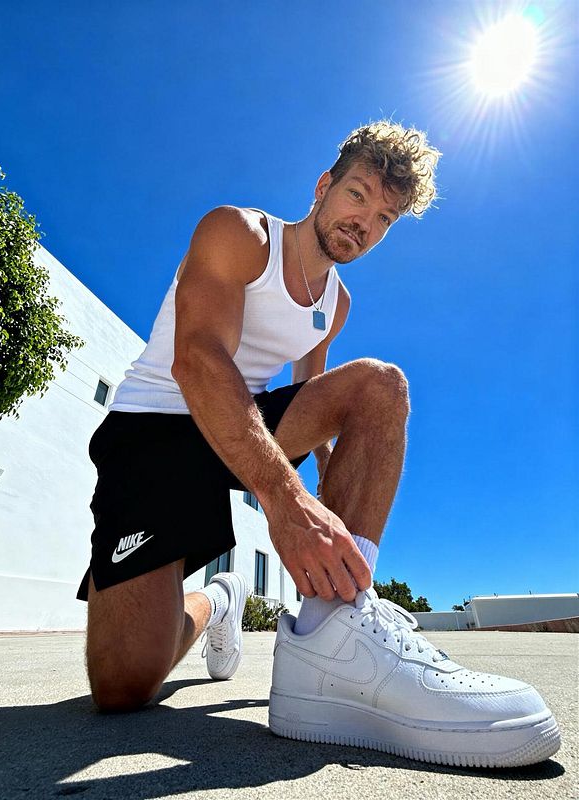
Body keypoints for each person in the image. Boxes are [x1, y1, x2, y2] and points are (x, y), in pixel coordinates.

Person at [77, 121, 560, 767]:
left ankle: (336, 627)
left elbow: (320, 399)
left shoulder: (334, 303)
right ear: (323, 186)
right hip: (153, 431)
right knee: (122, 689)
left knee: (378, 386)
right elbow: (197, 359)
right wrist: (283, 498)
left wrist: (329, 506)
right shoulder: (241, 234)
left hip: (239, 423)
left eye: (384, 218)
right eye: (358, 195)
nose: (364, 222)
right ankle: (219, 600)